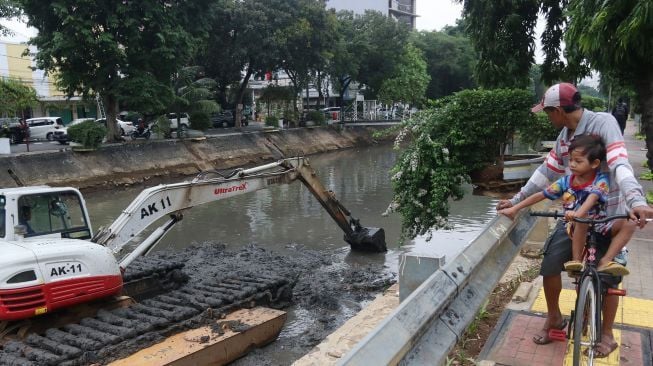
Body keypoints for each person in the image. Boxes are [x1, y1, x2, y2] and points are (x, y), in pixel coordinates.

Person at [496, 82, 653, 358]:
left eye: (548, 113)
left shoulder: (603, 123)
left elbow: (619, 162)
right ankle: (554, 318)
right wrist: (517, 198)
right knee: (550, 265)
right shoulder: (564, 137)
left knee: (610, 277)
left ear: (558, 110)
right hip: (575, 215)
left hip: (610, 212)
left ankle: (606, 334)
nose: (548, 118)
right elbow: (548, 171)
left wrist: (636, 200)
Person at [499, 134, 634, 276]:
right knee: (582, 219)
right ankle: (576, 262)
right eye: (570, 160)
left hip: (601, 225)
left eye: (578, 161)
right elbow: (541, 195)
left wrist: (579, 212)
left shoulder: (601, 180)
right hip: (576, 225)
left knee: (630, 223)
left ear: (594, 163)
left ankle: (606, 261)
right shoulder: (566, 181)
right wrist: (514, 208)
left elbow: (593, 197)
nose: (572, 164)